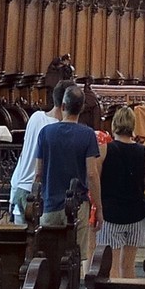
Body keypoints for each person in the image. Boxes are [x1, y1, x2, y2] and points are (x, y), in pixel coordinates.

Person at [33, 82, 102, 251]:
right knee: (75, 257)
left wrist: (34, 202)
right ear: (81, 108)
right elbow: (92, 174)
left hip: (50, 204)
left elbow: (38, 174)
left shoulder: (46, 133)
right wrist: (98, 208)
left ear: (63, 105)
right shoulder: (87, 135)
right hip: (78, 206)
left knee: (47, 255)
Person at [98, 105, 145, 279]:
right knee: (129, 266)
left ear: (114, 124)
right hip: (136, 213)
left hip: (111, 213)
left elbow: (96, 179)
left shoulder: (105, 150)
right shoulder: (142, 151)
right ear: (133, 126)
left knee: (112, 267)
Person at [7, 78, 64, 225]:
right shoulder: (57, 129)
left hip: (19, 186)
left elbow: (23, 154)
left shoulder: (36, 117)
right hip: (35, 192)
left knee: (19, 242)